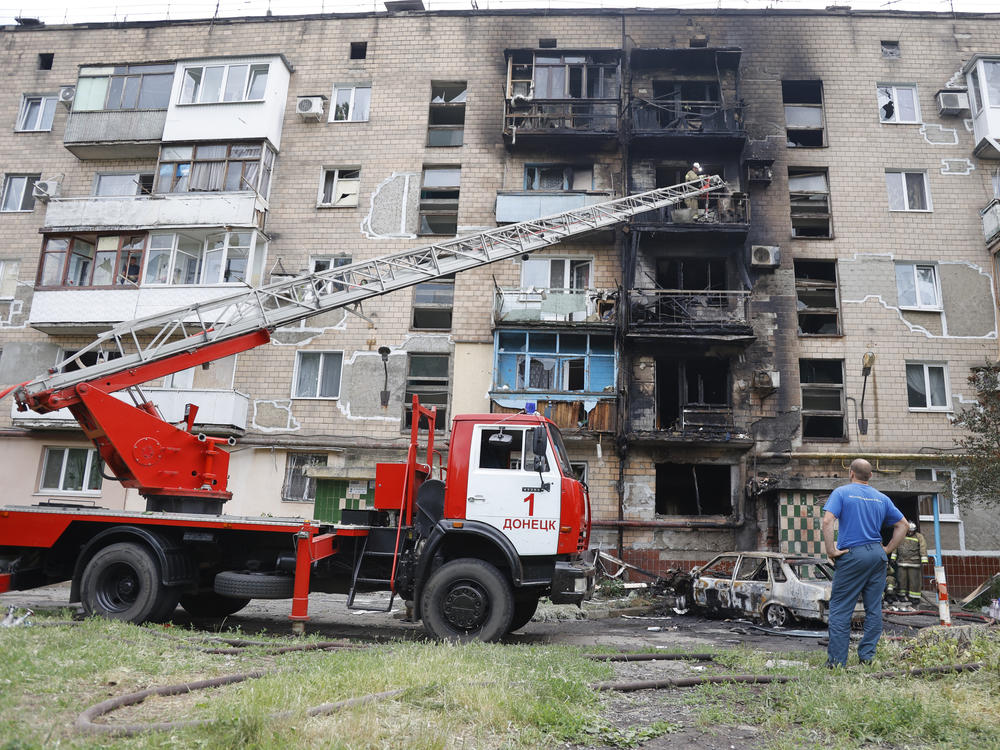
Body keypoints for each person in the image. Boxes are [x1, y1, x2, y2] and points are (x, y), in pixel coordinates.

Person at [821, 458, 908, 667]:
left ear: (851, 473)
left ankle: (837, 662)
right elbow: (903, 525)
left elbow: (827, 520)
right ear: (870, 476)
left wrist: (831, 550)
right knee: (874, 608)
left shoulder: (841, 492)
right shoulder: (881, 498)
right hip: (877, 556)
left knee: (841, 609)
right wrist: (886, 550)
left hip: (853, 555)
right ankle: (867, 657)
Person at [891, 522, 928, 610]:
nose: (910, 533)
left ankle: (914, 597)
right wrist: (893, 557)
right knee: (901, 580)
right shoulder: (900, 535)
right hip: (901, 562)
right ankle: (901, 595)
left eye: (912, 531)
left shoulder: (919, 537)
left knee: (914, 581)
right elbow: (895, 546)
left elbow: (923, 547)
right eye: (909, 531)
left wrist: (924, 560)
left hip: (914, 563)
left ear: (914, 530)